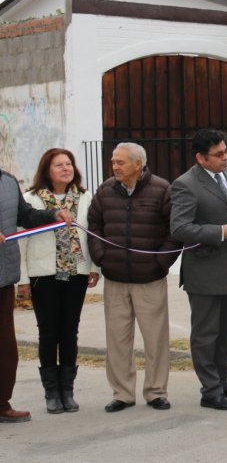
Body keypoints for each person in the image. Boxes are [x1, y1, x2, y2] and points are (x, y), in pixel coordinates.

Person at [86, 143, 178, 413]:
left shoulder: (162, 189)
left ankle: (156, 391)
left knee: (155, 339)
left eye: (120, 162)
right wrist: (101, 257)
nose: (114, 166)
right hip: (115, 278)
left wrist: (160, 262)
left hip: (149, 279)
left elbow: (176, 230)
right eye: (113, 162)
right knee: (117, 339)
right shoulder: (105, 190)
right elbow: (94, 225)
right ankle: (123, 393)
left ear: (138, 164)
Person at [171, 129, 227, 411]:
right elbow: (180, 228)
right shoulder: (186, 184)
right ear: (201, 158)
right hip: (204, 269)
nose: (225, 157)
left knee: (225, 330)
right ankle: (210, 390)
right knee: (206, 334)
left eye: (226, 151)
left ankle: (224, 382)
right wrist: (217, 232)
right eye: (219, 154)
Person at [17, 149, 97, 414]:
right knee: (49, 332)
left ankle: (68, 391)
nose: (66, 168)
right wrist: (23, 278)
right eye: (58, 165)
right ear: (46, 170)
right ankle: (51, 392)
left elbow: (93, 232)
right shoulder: (31, 199)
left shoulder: (84, 197)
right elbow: (22, 240)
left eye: (69, 164)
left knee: (70, 331)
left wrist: (94, 266)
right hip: (43, 274)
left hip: (76, 272)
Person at [1, 163, 72, 423]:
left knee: (6, 348)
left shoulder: (8, 181)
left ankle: (2, 403)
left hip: (3, 276)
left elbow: (25, 216)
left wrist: (52, 215)